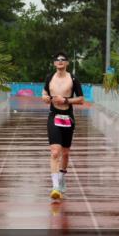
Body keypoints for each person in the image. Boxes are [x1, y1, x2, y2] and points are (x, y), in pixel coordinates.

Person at [41, 52, 84, 201]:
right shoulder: (49, 78)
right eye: (57, 59)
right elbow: (44, 93)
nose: (59, 61)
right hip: (53, 116)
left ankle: (61, 177)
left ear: (67, 63)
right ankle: (55, 187)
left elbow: (81, 99)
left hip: (67, 117)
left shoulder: (73, 79)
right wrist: (45, 98)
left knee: (65, 153)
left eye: (62, 59)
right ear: (54, 63)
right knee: (55, 152)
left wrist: (65, 100)